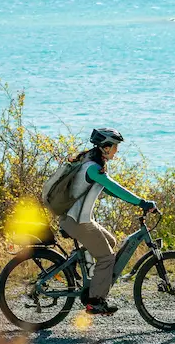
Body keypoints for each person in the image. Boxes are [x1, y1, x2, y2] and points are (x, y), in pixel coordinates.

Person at [50, 127, 157, 316]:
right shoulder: (93, 168)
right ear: (105, 147)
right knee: (107, 257)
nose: (117, 150)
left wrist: (133, 200)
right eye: (115, 146)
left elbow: (107, 188)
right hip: (78, 222)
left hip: (77, 219)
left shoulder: (90, 163)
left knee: (111, 242)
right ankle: (95, 301)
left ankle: (85, 271)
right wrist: (142, 202)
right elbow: (113, 187)